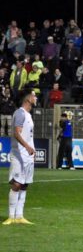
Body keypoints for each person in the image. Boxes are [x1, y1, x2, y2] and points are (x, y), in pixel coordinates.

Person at [3, 90, 37, 225]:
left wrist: (31, 150)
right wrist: (27, 147)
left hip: (28, 156)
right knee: (17, 184)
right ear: (28, 99)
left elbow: (29, 135)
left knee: (24, 185)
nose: (36, 98)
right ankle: (11, 216)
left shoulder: (28, 115)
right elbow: (16, 133)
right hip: (19, 155)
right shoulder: (20, 113)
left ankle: (19, 215)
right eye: (34, 96)